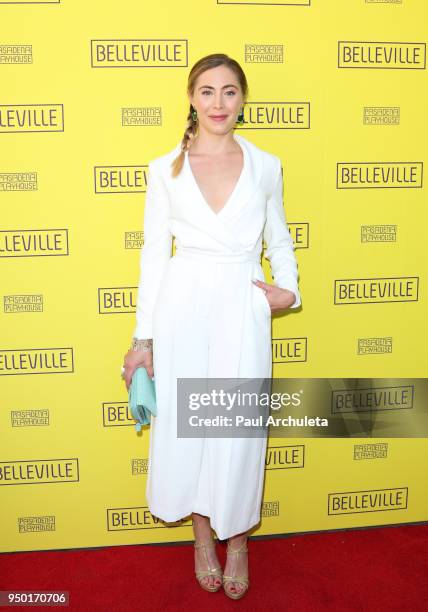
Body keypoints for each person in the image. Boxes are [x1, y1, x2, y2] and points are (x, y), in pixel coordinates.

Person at [122, 53, 301, 600]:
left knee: (239, 429)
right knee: (191, 427)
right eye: (206, 91)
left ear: (242, 99)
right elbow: (154, 257)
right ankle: (202, 537)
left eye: (228, 91)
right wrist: (142, 339)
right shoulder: (164, 168)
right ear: (191, 99)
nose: (218, 103)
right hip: (182, 307)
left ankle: (238, 539)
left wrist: (288, 289)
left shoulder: (267, 164)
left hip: (241, 307)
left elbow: (280, 239)